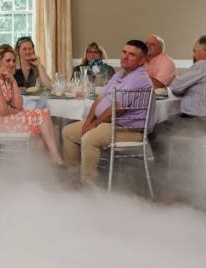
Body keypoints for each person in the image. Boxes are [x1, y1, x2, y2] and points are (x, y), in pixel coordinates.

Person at [62, 40, 154, 185]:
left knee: (89, 139)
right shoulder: (120, 75)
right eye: (124, 52)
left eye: (132, 55)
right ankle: (73, 180)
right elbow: (100, 97)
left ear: (142, 60)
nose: (125, 57)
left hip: (128, 130)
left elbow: (118, 109)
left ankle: (89, 187)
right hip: (108, 124)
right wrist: (88, 122)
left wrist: (94, 125)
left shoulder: (139, 79)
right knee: (68, 132)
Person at [0, 44, 63, 165]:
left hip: (5, 118)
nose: (12, 64)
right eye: (8, 60)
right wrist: (17, 112)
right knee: (43, 117)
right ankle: (53, 158)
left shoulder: (6, 78)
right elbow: (3, 110)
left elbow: (18, 105)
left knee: (42, 120)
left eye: (13, 61)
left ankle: (42, 165)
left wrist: (13, 82)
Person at [169, 35, 206, 119]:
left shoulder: (202, 65)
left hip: (196, 117)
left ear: (204, 51)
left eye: (195, 51)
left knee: (159, 124)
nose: (193, 55)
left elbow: (175, 87)